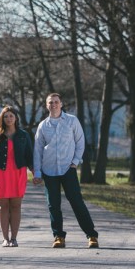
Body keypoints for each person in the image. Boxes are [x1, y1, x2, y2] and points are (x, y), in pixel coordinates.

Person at [32, 92, 99, 249]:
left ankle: (92, 236)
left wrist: (75, 162)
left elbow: (80, 142)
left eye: (56, 102)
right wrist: (37, 172)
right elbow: (38, 150)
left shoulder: (72, 121)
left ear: (61, 104)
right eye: (51, 102)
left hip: (68, 169)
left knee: (77, 202)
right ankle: (58, 237)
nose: (54, 104)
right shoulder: (43, 126)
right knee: (53, 205)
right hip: (49, 170)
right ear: (47, 105)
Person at [0, 105, 34, 247]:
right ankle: (5, 238)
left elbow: (29, 156)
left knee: (16, 206)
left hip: (18, 173)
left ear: (16, 118)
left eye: (11, 116)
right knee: (3, 206)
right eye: (6, 116)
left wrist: (35, 172)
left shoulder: (23, 135)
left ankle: (14, 238)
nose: (9, 118)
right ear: (2, 119)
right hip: (1, 174)